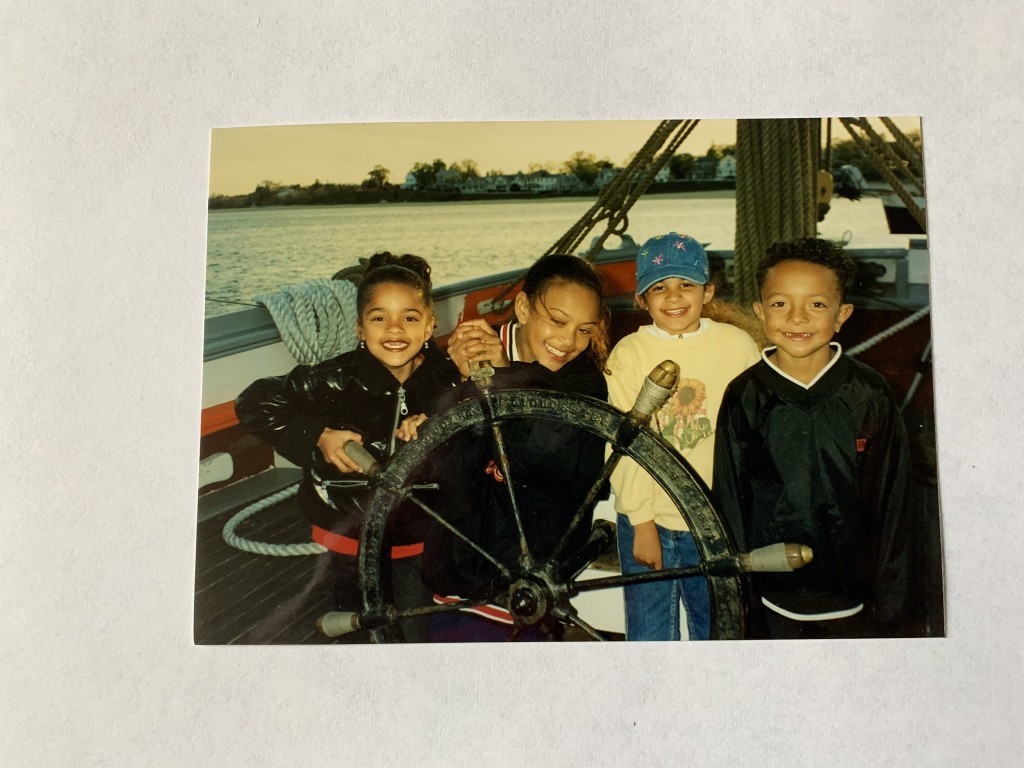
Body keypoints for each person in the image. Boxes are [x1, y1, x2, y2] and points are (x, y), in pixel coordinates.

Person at [234, 253, 461, 642]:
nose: (394, 329)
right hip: (350, 525)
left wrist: (438, 421)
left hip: (416, 528)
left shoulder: (447, 377)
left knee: (414, 624)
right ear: (360, 327)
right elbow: (254, 401)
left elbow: (474, 420)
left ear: (429, 325)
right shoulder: (332, 380)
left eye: (409, 317)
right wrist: (320, 434)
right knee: (359, 624)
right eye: (379, 318)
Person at [713, 237, 912, 639]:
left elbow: (894, 499)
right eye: (781, 303)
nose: (798, 318)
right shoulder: (745, 395)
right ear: (760, 311)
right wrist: (738, 596)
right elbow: (730, 501)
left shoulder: (868, 394)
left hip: (856, 595)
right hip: (772, 598)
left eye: (817, 304)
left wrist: (892, 602)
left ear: (842, 315)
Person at [416, 254, 611, 610]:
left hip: (536, 565)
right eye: (557, 321)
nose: (569, 341)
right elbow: (440, 466)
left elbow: (547, 461)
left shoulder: (585, 381)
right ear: (522, 307)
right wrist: (461, 382)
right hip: (461, 556)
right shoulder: (464, 355)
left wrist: (503, 377)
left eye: (585, 329)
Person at [606, 232, 760, 641]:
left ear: (708, 291)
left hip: (714, 523)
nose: (673, 297)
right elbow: (622, 446)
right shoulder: (628, 353)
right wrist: (641, 523)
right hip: (648, 519)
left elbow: (753, 433)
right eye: (659, 287)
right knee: (649, 636)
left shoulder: (738, 346)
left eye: (685, 285)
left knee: (717, 633)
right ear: (642, 299)